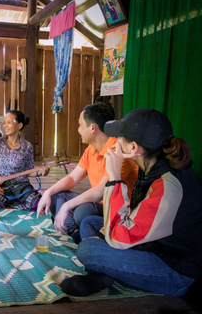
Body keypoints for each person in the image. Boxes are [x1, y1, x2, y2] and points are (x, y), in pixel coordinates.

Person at [61, 108, 202, 297]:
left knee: (87, 249)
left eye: (119, 137)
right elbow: (134, 220)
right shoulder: (153, 165)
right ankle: (104, 274)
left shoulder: (167, 185)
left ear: (133, 148)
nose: (115, 142)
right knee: (89, 223)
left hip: (175, 270)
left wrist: (114, 178)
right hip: (153, 243)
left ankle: (103, 273)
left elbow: (120, 237)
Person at [37, 103, 138, 243]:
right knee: (56, 194)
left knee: (81, 211)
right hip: (97, 205)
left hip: (116, 210)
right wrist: (48, 192)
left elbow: (101, 191)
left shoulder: (118, 151)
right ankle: (75, 232)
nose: (78, 130)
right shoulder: (91, 149)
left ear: (92, 128)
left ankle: (78, 229)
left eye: (80, 125)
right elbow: (73, 178)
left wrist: (67, 205)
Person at [0, 110, 46, 210]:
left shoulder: (27, 146)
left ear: (19, 125)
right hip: (2, 187)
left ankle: (8, 207)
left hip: (22, 187)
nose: (5, 126)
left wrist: (40, 173)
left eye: (9, 122)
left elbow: (28, 171)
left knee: (36, 202)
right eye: (4, 122)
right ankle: (16, 207)